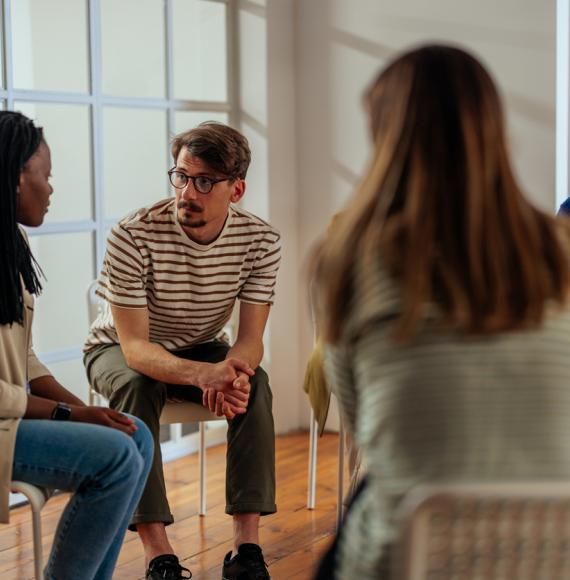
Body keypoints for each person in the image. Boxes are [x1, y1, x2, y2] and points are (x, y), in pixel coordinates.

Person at [312, 44, 570, 579]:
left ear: (386, 136)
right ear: (495, 131)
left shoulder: (350, 258)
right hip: (552, 548)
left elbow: (365, 430)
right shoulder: (560, 248)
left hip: (409, 554)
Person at [83, 121, 281, 580]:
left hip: (203, 346)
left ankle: (246, 549)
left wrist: (232, 372)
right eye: (181, 176)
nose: (188, 192)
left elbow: (251, 340)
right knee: (137, 384)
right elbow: (134, 349)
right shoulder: (133, 234)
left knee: (255, 384)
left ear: (236, 190)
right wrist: (200, 376)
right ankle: (159, 554)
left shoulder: (261, 240)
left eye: (205, 182)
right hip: (118, 348)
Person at [0, 110, 154, 580]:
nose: (51, 188)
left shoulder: (10, 243)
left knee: (134, 435)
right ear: (14, 176)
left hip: (11, 419)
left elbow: (21, 358)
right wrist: (69, 414)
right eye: (45, 175)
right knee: (113, 458)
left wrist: (82, 408)